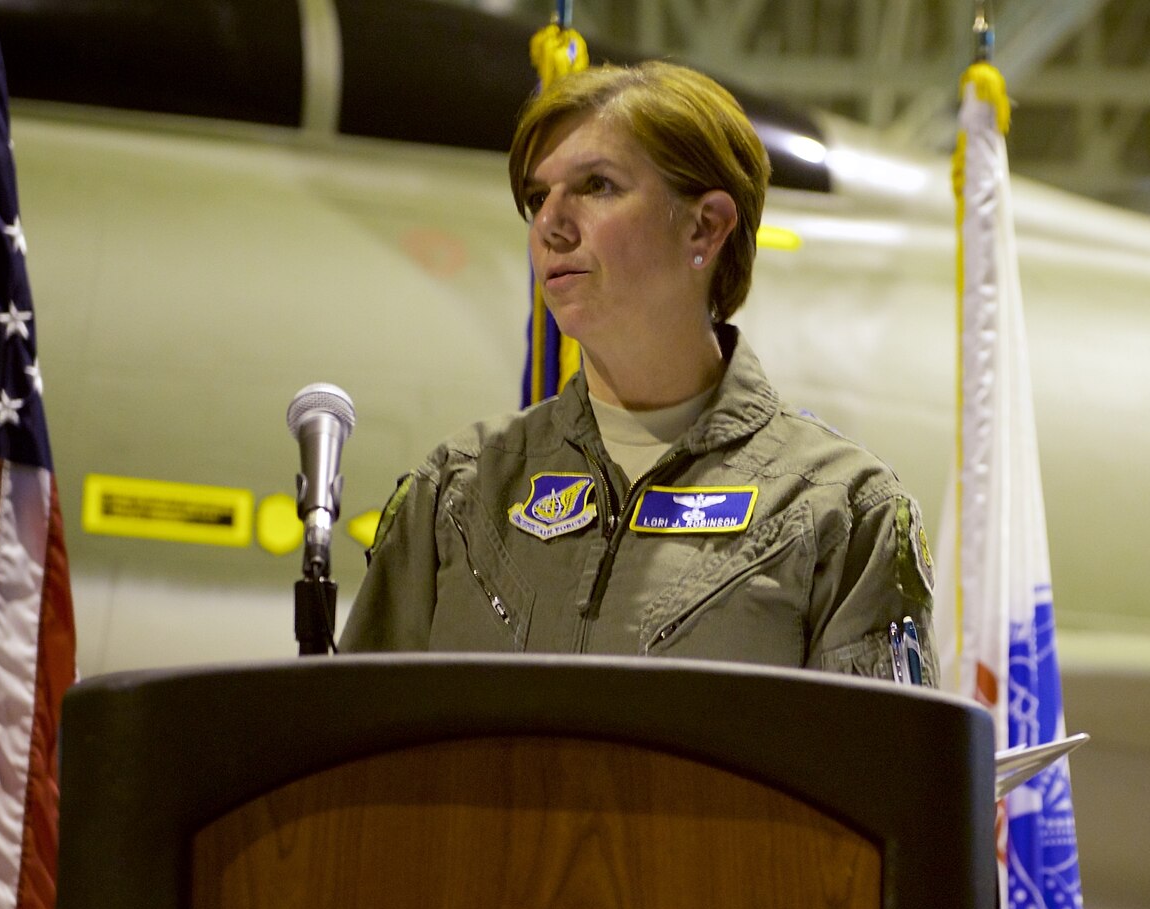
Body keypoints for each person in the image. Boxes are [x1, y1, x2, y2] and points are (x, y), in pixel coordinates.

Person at [339, 61, 934, 678]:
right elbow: (357, 757)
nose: (550, 225)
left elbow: (873, 773)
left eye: (596, 186)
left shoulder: (840, 510)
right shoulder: (459, 494)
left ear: (706, 226)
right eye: (539, 198)